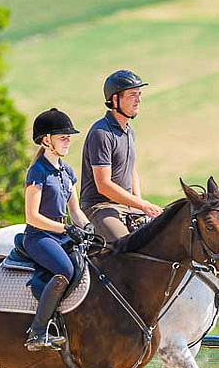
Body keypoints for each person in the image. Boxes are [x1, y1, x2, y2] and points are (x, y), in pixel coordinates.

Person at [22, 108, 91, 352]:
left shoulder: (67, 171)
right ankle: (37, 331)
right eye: (62, 136)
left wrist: (88, 228)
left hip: (61, 234)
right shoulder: (37, 171)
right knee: (65, 269)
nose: (68, 140)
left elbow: (75, 211)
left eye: (68, 136)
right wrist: (66, 229)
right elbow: (32, 216)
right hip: (39, 236)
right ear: (46, 140)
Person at [79, 69, 163, 243]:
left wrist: (139, 203)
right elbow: (103, 185)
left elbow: (131, 170)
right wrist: (142, 205)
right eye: (133, 95)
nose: (139, 100)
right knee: (127, 247)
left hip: (126, 207)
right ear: (115, 99)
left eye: (139, 94)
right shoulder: (101, 133)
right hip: (100, 208)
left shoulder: (128, 131)